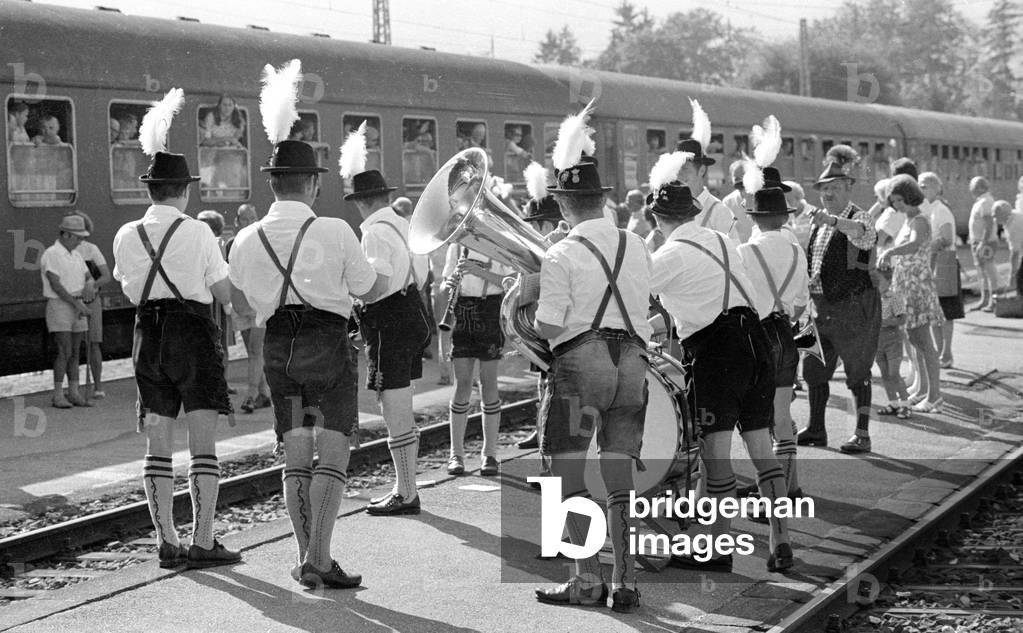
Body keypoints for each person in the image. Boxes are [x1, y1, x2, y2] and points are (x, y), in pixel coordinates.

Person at [230, 120, 379, 587]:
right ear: (313, 183)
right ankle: (319, 558)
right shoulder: (334, 230)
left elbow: (240, 303)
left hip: (277, 346)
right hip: (327, 343)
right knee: (332, 455)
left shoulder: (245, 237)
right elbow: (366, 287)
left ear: (272, 183)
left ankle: (305, 557)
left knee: (295, 457)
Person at [112, 88, 239, 570]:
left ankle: (166, 540)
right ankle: (203, 539)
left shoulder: (127, 234)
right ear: (184, 191)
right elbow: (223, 294)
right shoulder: (199, 231)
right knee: (202, 440)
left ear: (149, 190)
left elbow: (128, 292)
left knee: (157, 439)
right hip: (193, 333)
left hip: (148, 334)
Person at [648, 180, 793, 574]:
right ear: (693, 213)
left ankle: (716, 548)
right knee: (763, 449)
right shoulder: (722, 241)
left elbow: (632, 291)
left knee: (716, 456)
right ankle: (781, 539)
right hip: (756, 341)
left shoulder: (669, 253)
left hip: (717, 352)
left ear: (658, 219)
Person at [529, 140, 648, 612]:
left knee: (567, 473)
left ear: (560, 202)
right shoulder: (636, 243)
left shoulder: (560, 254)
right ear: (603, 200)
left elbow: (548, 326)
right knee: (620, 477)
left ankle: (586, 581)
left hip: (582, 365)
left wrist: (530, 288)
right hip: (632, 364)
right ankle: (625, 583)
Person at [341, 125, 431, 516]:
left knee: (392, 407)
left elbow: (374, 288)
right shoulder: (404, 225)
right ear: (385, 197)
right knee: (403, 402)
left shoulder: (374, 233)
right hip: (412, 312)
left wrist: (352, 295)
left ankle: (406, 491)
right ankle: (405, 485)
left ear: (361, 202)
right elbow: (423, 274)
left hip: (388, 321)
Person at [798, 159, 879, 454]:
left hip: (851, 306)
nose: (827, 194)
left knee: (858, 370)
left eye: (833, 188)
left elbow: (864, 234)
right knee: (813, 368)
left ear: (848, 188)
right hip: (820, 307)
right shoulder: (819, 222)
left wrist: (832, 221)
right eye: (823, 190)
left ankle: (862, 434)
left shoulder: (860, 216)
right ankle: (816, 429)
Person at [736, 186, 809, 502]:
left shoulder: (746, 252)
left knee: (755, 418)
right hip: (785, 333)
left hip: (758, 336)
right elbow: (803, 304)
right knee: (781, 416)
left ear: (754, 218)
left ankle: (769, 490)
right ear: (783, 217)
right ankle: (787, 489)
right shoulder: (796, 250)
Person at [443, 244, 513, 477]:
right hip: (463, 314)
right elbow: (444, 282)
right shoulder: (456, 247)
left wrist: (477, 270)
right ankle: (456, 454)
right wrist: (451, 282)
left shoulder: (495, 245)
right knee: (462, 384)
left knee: (488, 382)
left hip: (490, 311)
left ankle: (489, 453)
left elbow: (510, 281)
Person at [878, 175, 944, 412]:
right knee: (914, 341)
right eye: (894, 201)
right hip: (904, 286)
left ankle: (935, 395)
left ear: (910, 197)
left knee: (924, 342)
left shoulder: (919, 221)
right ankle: (925, 390)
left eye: (900, 200)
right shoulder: (906, 219)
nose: (897, 205)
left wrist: (889, 252)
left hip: (916, 288)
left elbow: (915, 244)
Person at [41, 215, 95, 408]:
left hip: (77, 304)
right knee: (65, 351)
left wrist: (89, 284)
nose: (80, 240)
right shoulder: (51, 254)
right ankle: (58, 395)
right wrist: (77, 304)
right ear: (65, 234)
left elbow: (88, 276)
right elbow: (56, 285)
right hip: (60, 306)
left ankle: (73, 392)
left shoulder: (77, 255)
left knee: (74, 352)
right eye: (77, 237)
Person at [226, 204, 272, 413]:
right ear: (237, 222)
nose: (250, 222)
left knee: (255, 350)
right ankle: (265, 394)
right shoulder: (230, 244)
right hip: (241, 304)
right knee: (253, 351)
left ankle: (251, 395)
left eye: (253, 217)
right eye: (245, 219)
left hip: (258, 304)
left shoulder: (263, 241)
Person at [919, 172, 962, 368]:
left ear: (937, 188)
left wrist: (925, 246)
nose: (921, 189)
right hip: (935, 263)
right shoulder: (932, 209)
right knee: (936, 313)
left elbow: (947, 238)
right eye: (920, 186)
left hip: (943, 264)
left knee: (945, 311)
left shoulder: (941, 210)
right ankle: (940, 352)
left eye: (925, 186)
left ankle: (946, 354)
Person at [677, 101, 733, 235]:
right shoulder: (673, 207)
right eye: (677, 169)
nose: (679, 175)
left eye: (685, 169)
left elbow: (732, 252)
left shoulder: (719, 211)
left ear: (701, 170)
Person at [73, 212, 111, 399]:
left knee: (94, 343)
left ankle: (97, 386)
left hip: (90, 300)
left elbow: (106, 276)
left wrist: (92, 285)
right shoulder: (63, 252)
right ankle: (74, 389)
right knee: (71, 346)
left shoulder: (91, 249)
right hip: (71, 302)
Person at [873, 268, 911, 419]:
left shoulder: (894, 298)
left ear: (888, 282)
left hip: (892, 340)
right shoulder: (873, 298)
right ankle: (893, 403)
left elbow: (902, 319)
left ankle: (906, 405)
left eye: (879, 281)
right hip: (878, 342)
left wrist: (885, 322)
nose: (876, 284)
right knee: (884, 374)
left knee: (893, 374)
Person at [968, 176, 998, 312]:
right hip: (979, 241)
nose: (971, 190)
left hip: (984, 242)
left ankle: (993, 300)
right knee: (982, 272)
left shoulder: (985, 202)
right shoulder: (982, 201)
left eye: (973, 188)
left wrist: (983, 242)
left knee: (989, 270)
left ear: (980, 188)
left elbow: (988, 224)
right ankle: (985, 299)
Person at [722, 160, 754, 243]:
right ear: (731, 179)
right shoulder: (727, 202)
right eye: (737, 178)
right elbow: (726, 232)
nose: (741, 181)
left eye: (744, 177)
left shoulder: (763, 197)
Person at [994, 200, 1023, 288]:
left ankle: (1017, 292)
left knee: (1020, 276)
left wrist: (1012, 275)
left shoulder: (1014, 225)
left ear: (1003, 214)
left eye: (996, 215)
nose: (994, 218)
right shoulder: (1014, 216)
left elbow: (1015, 252)